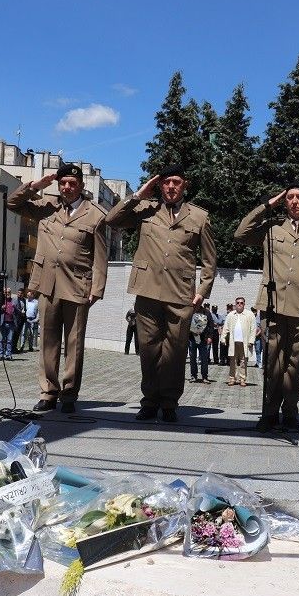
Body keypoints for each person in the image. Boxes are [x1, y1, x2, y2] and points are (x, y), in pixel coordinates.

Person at [106, 164, 217, 422]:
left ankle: (169, 402)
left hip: (181, 294)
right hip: (147, 290)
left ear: (184, 185)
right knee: (148, 349)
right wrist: (138, 196)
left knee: (175, 352)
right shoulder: (146, 209)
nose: (170, 186)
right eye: (166, 182)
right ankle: (149, 401)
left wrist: (203, 291)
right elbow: (112, 220)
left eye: (176, 182)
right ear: (159, 185)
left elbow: (210, 260)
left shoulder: (199, 217)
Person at [8, 162, 109, 414]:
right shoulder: (47, 207)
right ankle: (48, 392)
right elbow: (12, 204)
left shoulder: (95, 214)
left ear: (81, 186)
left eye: (72, 183)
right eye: (63, 183)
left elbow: (100, 255)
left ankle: (69, 394)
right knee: (48, 342)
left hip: (77, 285)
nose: (67, 187)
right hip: (47, 283)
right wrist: (35, 186)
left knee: (74, 343)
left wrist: (97, 288)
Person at [234, 182, 299, 431]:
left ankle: (289, 412)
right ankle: (269, 412)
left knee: (295, 364)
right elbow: (240, 234)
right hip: (273, 306)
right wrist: (267, 205)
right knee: (272, 364)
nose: (295, 201)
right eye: (290, 197)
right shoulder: (271, 228)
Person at [220, 297, 255, 387]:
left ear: (244, 304)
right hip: (233, 342)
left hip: (245, 342)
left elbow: (253, 329)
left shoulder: (249, 314)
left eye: (241, 303)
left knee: (243, 361)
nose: (239, 304)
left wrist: (251, 340)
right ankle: (232, 378)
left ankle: (242, 379)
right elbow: (225, 327)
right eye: (238, 303)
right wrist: (223, 338)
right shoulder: (231, 314)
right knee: (233, 361)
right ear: (235, 304)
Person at [188, 301, 214, 383]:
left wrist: (210, 336)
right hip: (192, 338)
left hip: (203, 339)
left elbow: (211, 325)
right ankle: (193, 376)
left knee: (204, 359)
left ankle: (204, 377)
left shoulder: (206, 312)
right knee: (192, 358)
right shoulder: (190, 311)